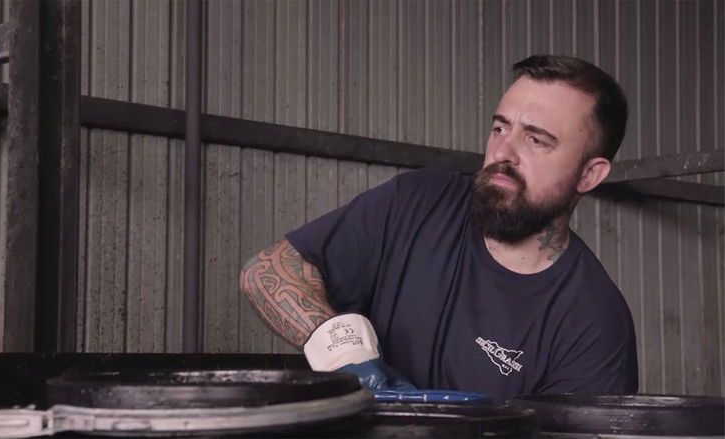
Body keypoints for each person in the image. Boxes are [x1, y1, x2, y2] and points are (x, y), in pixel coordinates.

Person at [239, 54, 638, 402]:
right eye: (500, 128)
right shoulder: (419, 202)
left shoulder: (594, 323)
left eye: (536, 140)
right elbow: (267, 271)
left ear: (589, 174)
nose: (503, 152)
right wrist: (345, 352)